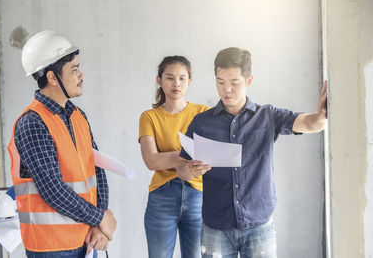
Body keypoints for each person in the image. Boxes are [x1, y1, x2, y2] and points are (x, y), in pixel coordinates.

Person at [178, 47, 328, 258]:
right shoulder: (202, 122)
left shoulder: (268, 116)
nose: (226, 90)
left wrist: (322, 115)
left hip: (259, 225)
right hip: (216, 226)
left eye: (234, 83)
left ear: (248, 81)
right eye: (220, 82)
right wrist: (189, 169)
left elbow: (310, 123)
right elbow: (180, 168)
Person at [7, 30, 116, 257]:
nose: (81, 75)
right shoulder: (33, 123)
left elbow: (97, 169)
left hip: (87, 239)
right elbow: (53, 190)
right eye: (74, 70)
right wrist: (100, 218)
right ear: (52, 78)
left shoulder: (78, 115)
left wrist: (99, 223)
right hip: (52, 247)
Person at [138, 56, 211, 258]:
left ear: (190, 81)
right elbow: (151, 161)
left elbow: (209, 154)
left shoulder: (203, 113)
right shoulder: (149, 117)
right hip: (162, 197)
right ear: (159, 80)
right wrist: (187, 155)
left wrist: (170, 158)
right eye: (170, 78)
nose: (176, 83)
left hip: (199, 197)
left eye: (182, 78)